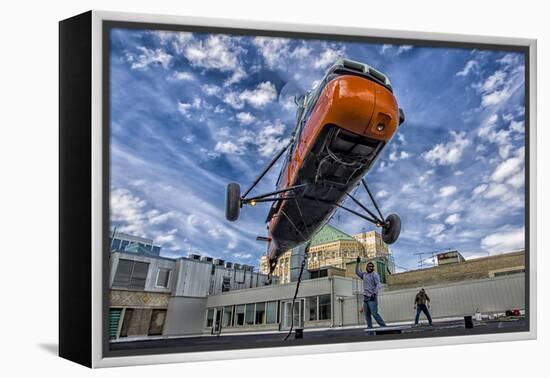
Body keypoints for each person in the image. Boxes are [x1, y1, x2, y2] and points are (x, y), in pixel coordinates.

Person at [356, 257, 387, 329]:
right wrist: (358, 263)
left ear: (373, 268)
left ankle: (384, 327)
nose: (370, 268)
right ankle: (369, 328)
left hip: (372, 298)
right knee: (367, 315)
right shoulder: (364, 275)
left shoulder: (374, 275)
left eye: (371, 267)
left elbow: (378, 284)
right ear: (366, 267)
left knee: (374, 313)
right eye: (369, 266)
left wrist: (374, 293)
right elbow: (357, 272)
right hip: (365, 298)